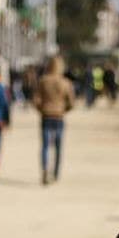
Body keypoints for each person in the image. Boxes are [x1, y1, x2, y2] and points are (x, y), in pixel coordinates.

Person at [33, 55, 75, 186]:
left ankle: (45, 169)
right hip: (59, 117)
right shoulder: (66, 82)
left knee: (45, 146)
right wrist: (63, 110)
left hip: (46, 116)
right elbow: (71, 102)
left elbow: (36, 100)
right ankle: (56, 173)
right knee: (58, 146)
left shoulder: (43, 81)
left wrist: (42, 109)